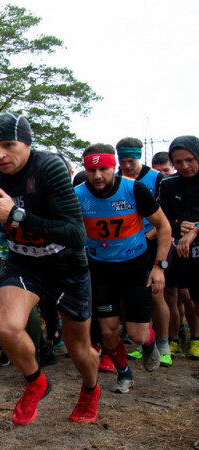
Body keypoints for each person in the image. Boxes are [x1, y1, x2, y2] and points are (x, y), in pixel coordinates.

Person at [0, 112, 99, 426]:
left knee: (78, 347)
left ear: (26, 143)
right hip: (24, 262)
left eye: (9, 145)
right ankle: (36, 382)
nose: (1, 155)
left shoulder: (49, 167)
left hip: (66, 264)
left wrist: (15, 216)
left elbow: (76, 234)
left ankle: (90, 389)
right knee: (6, 328)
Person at [74, 144, 172, 393]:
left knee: (137, 334)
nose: (97, 176)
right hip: (100, 268)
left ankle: (149, 343)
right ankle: (124, 373)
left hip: (135, 266)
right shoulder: (77, 194)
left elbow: (164, 226)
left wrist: (159, 266)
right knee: (108, 331)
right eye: (91, 170)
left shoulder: (134, 189)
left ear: (114, 167)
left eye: (103, 169)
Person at [115, 138, 171, 365]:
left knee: (156, 295)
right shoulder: (116, 179)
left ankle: (164, 343)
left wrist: (150, 236)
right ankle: (143, 340)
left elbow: (165, 218)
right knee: (132, 296)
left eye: (131, 161)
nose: (127, 166)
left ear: (139, 157)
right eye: (122, 161)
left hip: (153, 243)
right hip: (127, 247)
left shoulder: (157, 179)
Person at [159, 136, 199, 361]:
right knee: (173, 294)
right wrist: (178, 225)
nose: (184, 166)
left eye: (190, 160)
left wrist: (195, 229)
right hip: (179, 249)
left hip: (193, 245)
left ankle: (196, 338)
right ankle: (174, 340)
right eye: (178, 162)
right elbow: (163, 218)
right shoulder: (169, 184)